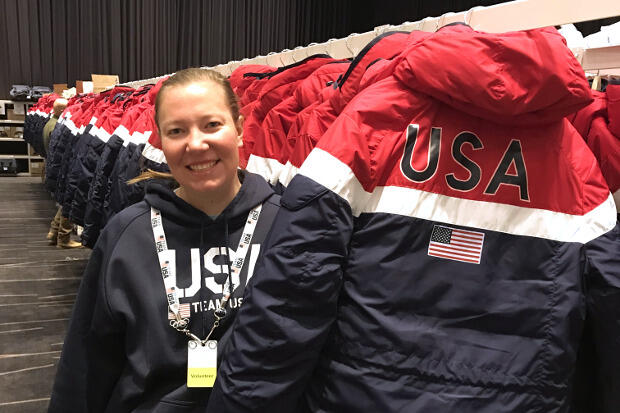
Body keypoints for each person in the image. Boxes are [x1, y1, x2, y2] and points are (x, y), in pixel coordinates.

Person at [47, 68, 281, 412]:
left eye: (211, 125)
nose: (196, 144)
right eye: (177, 131)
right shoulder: (128, 233)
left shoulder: (285, 225)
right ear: (160, 141)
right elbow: (86, 362)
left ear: (240, 130)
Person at [43, 98, 83, 248]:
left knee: (65, 202)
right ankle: (63, 238)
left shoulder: (55, 123)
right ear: (61, 110)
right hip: (66, 168)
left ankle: (54, 231)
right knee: (70, 202)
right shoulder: (60, 125)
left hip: (61, 168)